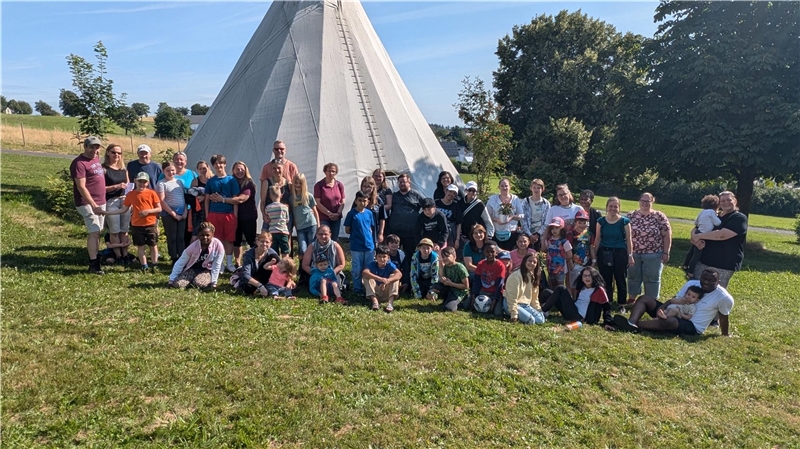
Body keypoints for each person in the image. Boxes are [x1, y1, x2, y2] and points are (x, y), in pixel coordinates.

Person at [613, 268, 733, 337]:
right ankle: (631, 322)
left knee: (670, 321)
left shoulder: (723, 297)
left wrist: (725, 334)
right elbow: (674, 300)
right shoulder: (692, 284)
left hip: (692, 326)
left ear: (718, 282)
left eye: (711, 280)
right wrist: (662, 309)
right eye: (704, 279)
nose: (706, 282)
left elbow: (723, 317)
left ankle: (636, 326)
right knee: (644, 298)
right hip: (671, 311)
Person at [102, 172, 161, 272]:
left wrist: (148, 211)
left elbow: (159, 209)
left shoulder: (152, 193)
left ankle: (154, 264)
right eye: (140, 181)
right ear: (135, 181)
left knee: (153, 245)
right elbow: (123, 209)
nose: (142, 184)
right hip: (137, 225)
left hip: (151, 224)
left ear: (147, 183)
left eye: (144, 182)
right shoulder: (130, 194)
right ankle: (144, 265)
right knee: (141, 246)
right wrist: (107, 212)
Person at [690, 192, 748, 289]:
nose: (726, 203)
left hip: (723, 263)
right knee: (695, 290)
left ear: (735, 201)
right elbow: (697, 228)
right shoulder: (715, 216)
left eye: (729, 200)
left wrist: (700, 236)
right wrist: (695, 238)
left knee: (714, 293)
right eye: (722, 201)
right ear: (719, 203)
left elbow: (722, 235)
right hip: (703, 260)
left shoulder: (739, 218)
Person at [71, 136, 108, 274]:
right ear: (85, 147)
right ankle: (94, 265)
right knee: (94, 231)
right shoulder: (79, 163)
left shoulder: (96, 158)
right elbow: (81, 186)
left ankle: (96, 257)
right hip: (87, 203)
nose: (94, 150)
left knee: (98, 231)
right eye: (91, 147)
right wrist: (93, 204)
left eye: (97, 147)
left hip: (101, 201)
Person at [627, 192, 672, 302]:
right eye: (642, 201)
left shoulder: (659, 216)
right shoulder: (631, 215)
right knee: (633, 276)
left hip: (654, 254)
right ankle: (632, 298)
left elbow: (667, 234)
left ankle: (651, 301)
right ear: (639, 201)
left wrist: (666, 252)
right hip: (634, 253)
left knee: (652, 278)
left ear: (653, 201)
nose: (644, 203)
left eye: (647, 201)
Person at [540, 266, 613, 329]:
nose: (587, 278)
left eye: (589, 275)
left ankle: (542, 312)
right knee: (547, 292)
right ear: (581, 278)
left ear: (594, 277)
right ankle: (540, 309)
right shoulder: (582, 287)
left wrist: (607, 323)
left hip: (579, 317)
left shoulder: (599, 290)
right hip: (572, 310)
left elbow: (607, 308)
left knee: (561, 288)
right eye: (585, 276)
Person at [593, 197, 633, 310]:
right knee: (606, 279)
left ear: (619, 208)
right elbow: (597, 239)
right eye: (611, 206)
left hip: (620, 253)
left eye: (616, 206)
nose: (613, 208)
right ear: (606, 207)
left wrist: (630, 256)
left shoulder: (624, 221)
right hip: (604, 253)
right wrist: (594, 256)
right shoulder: (601, 221)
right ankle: (608, 301)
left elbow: (629, 240)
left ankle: (621, 304)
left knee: (620, 278)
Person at [204, 154, 240, 272]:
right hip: (214, 213)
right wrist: (207, 215)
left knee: (229, 239)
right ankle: (220, 263)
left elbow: (235, 199)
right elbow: (207, 199)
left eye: (220, 163)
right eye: (215, 164)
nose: (218, 165)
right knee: (216, 239)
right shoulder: (211, 181)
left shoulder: (231, 180)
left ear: (224, 164)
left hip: (228, 213)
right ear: (213, 166)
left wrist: (235, 216)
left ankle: (229, 263)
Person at [167, 221, 225, 290]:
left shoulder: (218, 246)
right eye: (202, 235)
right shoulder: (192, 247)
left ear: (212, 235)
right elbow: (180, 263)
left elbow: (216, 265)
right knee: (177, 285)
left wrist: (214, 282)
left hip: (206, 270)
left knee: (199, 284)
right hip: (192, 269)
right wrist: (171, 280)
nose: (205, 237)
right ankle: (190, 279)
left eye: (207, 235)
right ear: (198, 235)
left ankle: (196, 280)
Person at [221, 161, 258, 267]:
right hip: (234, 216)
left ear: (246, 170)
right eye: (237, 169)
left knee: (251, 240)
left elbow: (241, 199)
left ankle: (255, 260)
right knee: (236, 240)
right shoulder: (230, 182)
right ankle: (237, 262)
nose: (240, 171)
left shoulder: (248, 184)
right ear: (233, 170)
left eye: (242, 169)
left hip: (248, 216)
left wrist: (223, 200)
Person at [102, 143, 131, 264]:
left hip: (124, 200)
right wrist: (115, 186)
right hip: (111, 201)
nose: (116, 155)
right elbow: (100, 188)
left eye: (119, 153)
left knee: (124, 230)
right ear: (108, 152)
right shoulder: (104, 169)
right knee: (114, 230)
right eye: (114, 152)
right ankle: (117, 255)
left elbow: (128, 185)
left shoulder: (123, 169)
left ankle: (125, 254)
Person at [344, 191, 376, 294]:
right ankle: (357, 288)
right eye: (360, 200)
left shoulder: (369, 213)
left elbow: (370, 227)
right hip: (356, 245)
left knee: (368, 268)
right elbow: (347, 229)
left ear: (368, 202)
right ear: (356, 201)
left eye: (364, 201)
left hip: (369, 245)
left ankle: (368, 288)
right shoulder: (351, 214)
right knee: (357, 269)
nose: (362, 203)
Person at [386, 173, 424, 259]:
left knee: (409, 255)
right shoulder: (394, 196)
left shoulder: (416, 195)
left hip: (410, 232)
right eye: (400, 182)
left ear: (409, 182)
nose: (402, 184)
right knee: (392, 254)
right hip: (395, 232)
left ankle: (408, 271)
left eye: (404, 182)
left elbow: (427, 206)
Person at [682, 195, 721, 277]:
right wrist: (717, 216)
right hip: (704, 235)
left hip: (698, 231)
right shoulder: (712, 212)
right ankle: (691, 271)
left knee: (691, 251)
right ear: (716, 205)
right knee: (697, 254)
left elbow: (696, 222)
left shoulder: (702, 211)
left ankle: (685, 264)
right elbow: (718, 223)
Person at [259, 140, 299, 221]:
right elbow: (263, 196)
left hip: (286, 212)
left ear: (285, 150)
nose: (279, 151)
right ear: (273, 150)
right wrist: (263, 213)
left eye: (281, 149)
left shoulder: (292, 166)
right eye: (276, 149)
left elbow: (297, 189)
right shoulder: (266, 167)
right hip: (270, 212)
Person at [157, 161, 188, 265]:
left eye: (172, 170)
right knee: (172, 237)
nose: (171, 172)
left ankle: (182, 257)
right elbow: (162, 201)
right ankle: (174, 257)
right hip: (169, 214)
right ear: (163, 171)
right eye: (168, 171)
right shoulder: (161, 183)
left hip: (181, 212)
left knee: (181, 237)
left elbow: (184, 198)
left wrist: (185, 212)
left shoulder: (179, 182)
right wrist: (173, 214)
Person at [504, 253, 545, 325]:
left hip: (526, 305)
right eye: (529, 261)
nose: (532, 263)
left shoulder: (532, 276)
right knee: (531, 321)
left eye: (534, 262)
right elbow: (512, 297)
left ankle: (523, 314)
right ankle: (511, 312)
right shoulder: (516, 276)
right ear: (525, 261)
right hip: (512, 303)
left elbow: (534, 298)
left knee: (541, 320)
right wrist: (514, 314)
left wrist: (538, 310)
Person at [426, 246, 469, 312]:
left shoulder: (460, 267)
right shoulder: (446, 266)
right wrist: (440, 263)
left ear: (454, 256)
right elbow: (441, 276)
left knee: (448, 309)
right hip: (449, 288)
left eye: (447, 256)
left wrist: (451, 284)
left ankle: (461, 302)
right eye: (443, 257)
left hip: (458, 292)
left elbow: (466, 286)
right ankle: (447, 300)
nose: (444, 258)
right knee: (435, 286)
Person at [469, 242, 506, 316]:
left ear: (496, 253)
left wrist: (495, 300)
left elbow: (499, 284)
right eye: (487, 252)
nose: (490, 254)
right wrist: (474, 296)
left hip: (495, 293)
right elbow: (476, 281)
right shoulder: (481, 264)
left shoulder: (500, 266)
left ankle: (498, 303)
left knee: (497, 313)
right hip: (482, 291)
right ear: (484, 252)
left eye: (492, 252)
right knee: (467, 305)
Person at [486, 178, 524, 251]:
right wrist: (496, 220)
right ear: (499, 187)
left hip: (512, 233)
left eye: (506, 186)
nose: (504, 188)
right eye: (502, 186)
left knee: (510, 255)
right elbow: (487, 215)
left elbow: (521, 215)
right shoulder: (492, 199)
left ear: (510, 187)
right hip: (496, 232)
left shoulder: (515, 199)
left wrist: (511, 217)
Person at [362, 245, 402, 313]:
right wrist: (379, 279)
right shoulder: (373, 264)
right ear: (376, 257)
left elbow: (399, 274)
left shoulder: (389, 265)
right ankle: (375, 302)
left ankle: (390, 303)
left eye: (384, 257)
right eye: (379, 256)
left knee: (394, 277)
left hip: (386, 291)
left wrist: (388, 280)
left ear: (388, 258)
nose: (382, 259)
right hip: (375, 291)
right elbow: (364, 272)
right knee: (366, 278)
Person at [169, 151, 197, 248]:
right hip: (171, 208)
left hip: (189, 209)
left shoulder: (192, 174)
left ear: (185, 162)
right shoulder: (168, 173)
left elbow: (198, 188)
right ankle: (175, 256)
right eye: (176, 159)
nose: (178, 161)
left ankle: (186, 255)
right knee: (173, 234)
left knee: (187, 233)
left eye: (181, 159)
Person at [238, 232, 280, 296]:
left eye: (267, 242)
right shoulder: (249, 254)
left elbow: (284, 268)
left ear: (271, 244)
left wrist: (290, 280)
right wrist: (260, 286)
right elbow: (245, 275)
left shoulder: (273, 254)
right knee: (248, 288)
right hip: (252, 279)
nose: (264, 244)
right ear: (257, 241)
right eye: (262, 241)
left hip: (267, 279)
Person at [314, 162, 346, 241]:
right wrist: (329, 213)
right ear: (325, 172)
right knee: (324, 238)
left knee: (334, 239)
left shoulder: (339, 185)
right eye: (329, 171)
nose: (331, 173)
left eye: (333, 171)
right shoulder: (319, 185)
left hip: (336, 217)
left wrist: (338, 213)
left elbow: (342, 201)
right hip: (324, 217)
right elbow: (318, 203)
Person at [352, 176, 386, 246]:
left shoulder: (378, 201)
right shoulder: (358, 200)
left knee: (373, 253)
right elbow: (353, 216)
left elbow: (382, 218)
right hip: (360, 232)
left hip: (374, 232)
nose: (367, 189)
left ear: (373, 187)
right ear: (361, 187)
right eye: (365, 186)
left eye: (369, 186)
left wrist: (381, 233)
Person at [290, 173, 319, 256]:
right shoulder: (291, 198)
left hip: (311, 224)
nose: (298, 185)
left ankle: (312, 266)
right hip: (300, 227)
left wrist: (318, 226)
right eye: (296, 183)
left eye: (300, 183)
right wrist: (295, 226)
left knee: (312, 247)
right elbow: (293, 213)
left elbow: (315, 211)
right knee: (302, 249)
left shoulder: (308, 196)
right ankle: (303, 266)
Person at [459, 181, 495, 247]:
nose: (472, 192)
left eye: (474, 191)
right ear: (466, 191)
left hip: (476, 237)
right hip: (463, 236)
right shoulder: (460, 203)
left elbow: (487, 221)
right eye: (470, 190)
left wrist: (489, 236)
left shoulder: (480, 205)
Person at [567, 209, 594, 294]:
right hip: (575, 264)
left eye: (584, 223)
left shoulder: (589, 234)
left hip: (587, 263)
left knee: (585, 282)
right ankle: (574, 299)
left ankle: (583, 299)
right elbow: (568, 250)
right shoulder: (571, 234)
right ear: (575, 222)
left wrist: (594, 261)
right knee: (574, 283)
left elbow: (591, 248)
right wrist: (570, 263)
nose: (582, 225)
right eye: (580, 222)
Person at [520, 178, 550, 251]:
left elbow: (547, 221)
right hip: (527, 233)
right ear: (531, 188)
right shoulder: (525, 202)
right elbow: (522, 219)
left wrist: (538, 234)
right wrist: (530, 235)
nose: (536, 190)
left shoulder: (546, 203)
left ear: (543, 189)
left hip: (541, 234)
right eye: (534, 187)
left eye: (538, 188)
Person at [545, 217, 573, 289]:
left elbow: (569, 254)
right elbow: (545, 250)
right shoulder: (548, 240)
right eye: (552, 228)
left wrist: (563, 262)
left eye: (557, 228)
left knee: (560, 284)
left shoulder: (564, 242)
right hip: (550, 266)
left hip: (561, 268)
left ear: (561, 228)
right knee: (551, 283)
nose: (554, 230)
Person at [264, 185, 291, 256]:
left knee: (273, 251)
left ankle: (275, 265)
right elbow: (287, 219)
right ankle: (285, 264)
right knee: (285, 251)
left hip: (272, 231)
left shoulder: (268, 208)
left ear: (270, 196)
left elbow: (268, 218)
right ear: (281, 195)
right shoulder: (285, 207)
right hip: (283, 231)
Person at [436, 184, 463, 251]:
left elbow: (459, 223)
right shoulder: (436, 203)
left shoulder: (455, 206)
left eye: (454, 193)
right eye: (450, 192)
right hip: (437, 231)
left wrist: (457, 239)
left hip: (450, 233)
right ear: (446, 191)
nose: (451, 194)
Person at [189, 160, 210, 242]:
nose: (202, 170)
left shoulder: (212, 179)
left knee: (209, 232)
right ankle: (191, 253)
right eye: (200, 168)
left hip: (211, 208)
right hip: (199, 210)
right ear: (198, 170)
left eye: (204, 168)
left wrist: (204, 197)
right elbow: (191, 196)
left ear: (208, 168)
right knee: (196, 233)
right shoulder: (195, 181)